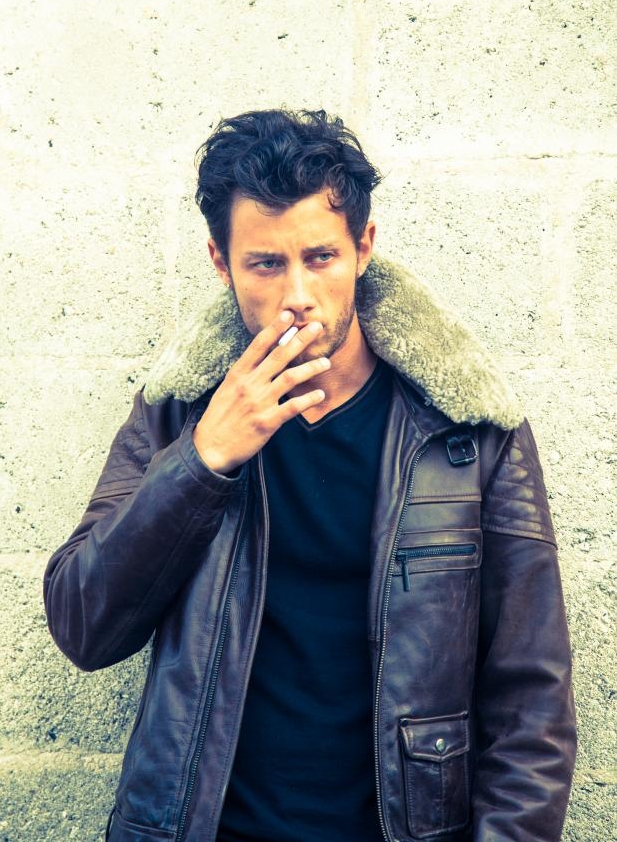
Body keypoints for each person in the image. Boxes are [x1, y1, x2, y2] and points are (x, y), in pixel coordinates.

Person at [44, 109, 576, 842]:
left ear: (364, 247)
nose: (297, 294)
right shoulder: (177, 414)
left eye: (320, 257)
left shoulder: (469, 430)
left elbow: (533, 704)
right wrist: (204, 460)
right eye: (265, 264)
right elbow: (83, 626)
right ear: (221, 262)